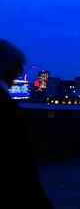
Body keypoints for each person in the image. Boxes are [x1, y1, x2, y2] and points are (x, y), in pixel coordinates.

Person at [0, 39, 53, 208]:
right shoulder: (5, 105)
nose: (20, 71)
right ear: (7, 68)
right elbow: (20, 162)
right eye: (18, 66)